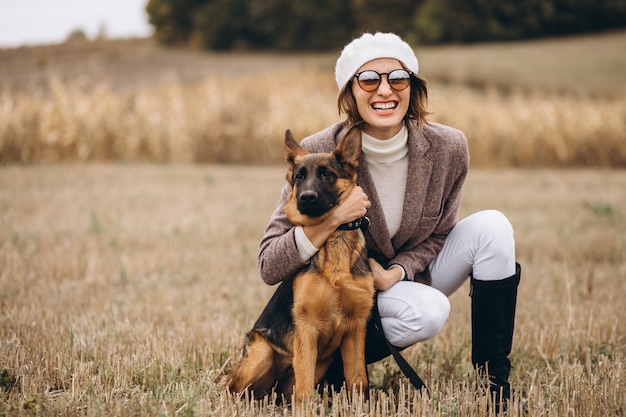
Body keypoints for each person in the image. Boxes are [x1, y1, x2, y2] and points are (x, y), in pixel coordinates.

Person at [257, 32, 521, 410]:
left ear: (412, 87)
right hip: (345, 288)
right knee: (429, 313)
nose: (385, 90)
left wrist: (395, 272)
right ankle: (331, 370)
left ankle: (493, 386)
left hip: (405, 276)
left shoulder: (449, 147)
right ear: (350, 91)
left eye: (397, 78)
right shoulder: (316, 153)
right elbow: (269, 263)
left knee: (494, 226)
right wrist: (331, 219)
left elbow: (443, 231)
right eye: (369, 80)